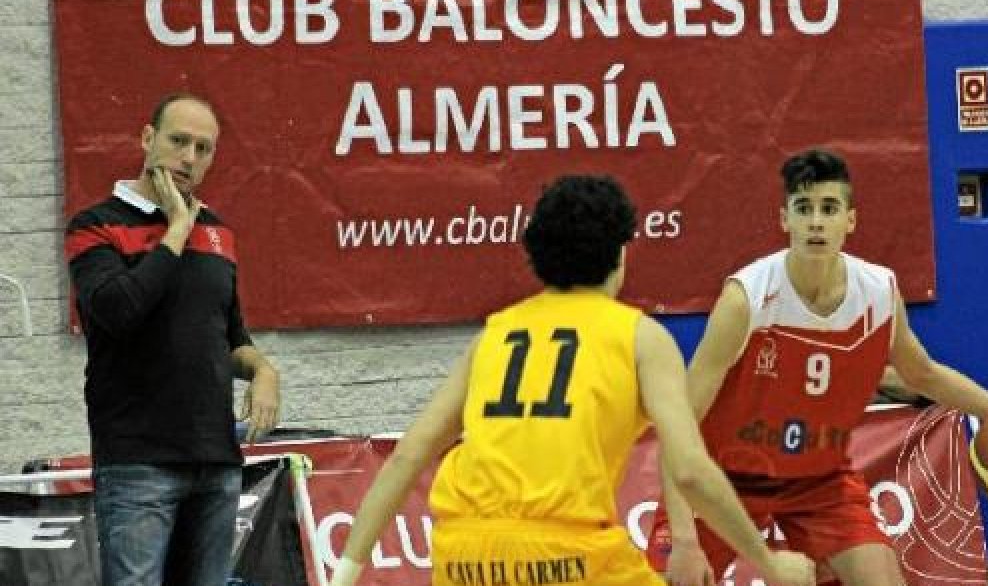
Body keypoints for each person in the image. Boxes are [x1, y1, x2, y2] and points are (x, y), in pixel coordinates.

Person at [331, 175, 817, 586]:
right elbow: (689, 467)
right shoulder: (639, 336)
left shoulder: (495, 334)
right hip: (567, 558)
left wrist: (344, 574)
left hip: (463, 557)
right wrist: (768, 563)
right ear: (621, 254)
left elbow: (408, 456)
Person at [650, 149, 988, 586]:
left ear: (850, 220)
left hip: (818, 479)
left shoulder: (877, 292)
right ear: (785, 219)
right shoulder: (746, 299)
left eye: (829, 208)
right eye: (804, 209)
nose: (816, 222)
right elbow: (681, 422)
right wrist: (684, 541)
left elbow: (922, 374)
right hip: (725, 475)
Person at [65, 92, 281, 586]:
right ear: (148, 138)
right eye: (178, 141)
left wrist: (263, 370)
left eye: (203, 148)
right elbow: (118, 312)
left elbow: (230, 337)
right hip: (139, 462)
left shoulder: (219, 233)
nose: (189, 157)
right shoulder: (95, 226)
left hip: (216, 460)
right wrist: (177, 228)